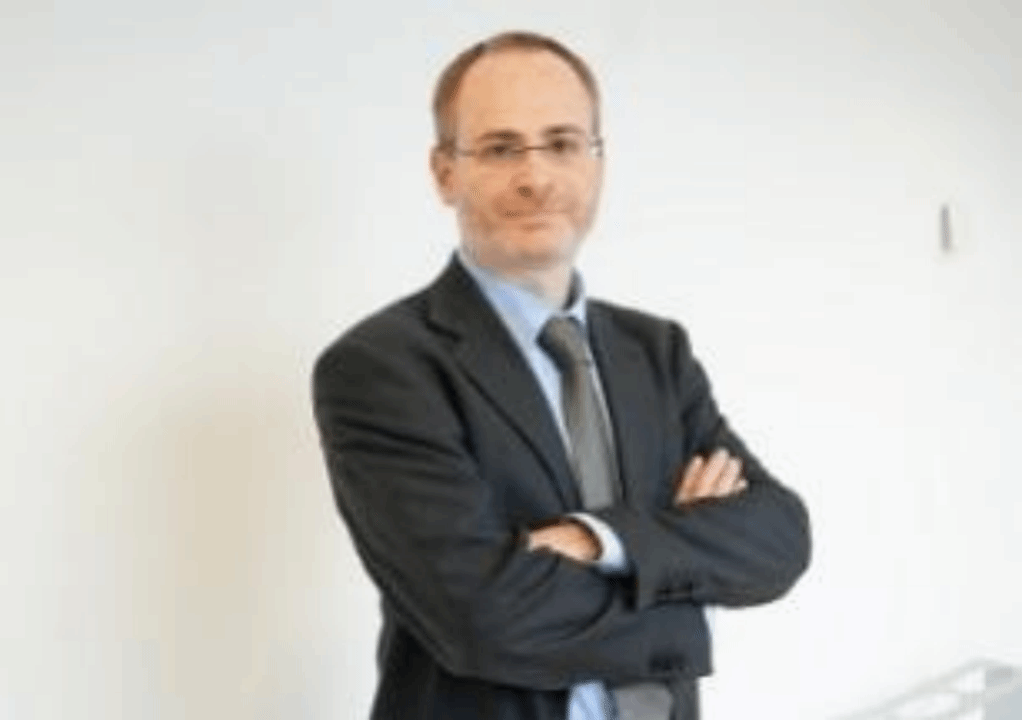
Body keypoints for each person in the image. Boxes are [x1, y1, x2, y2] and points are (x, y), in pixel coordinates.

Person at [312, 30, 811, 720]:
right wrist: (688, 598)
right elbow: (482, 618)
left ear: (597, 162)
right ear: (444, 172)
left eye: (563, 142)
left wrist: (596, 541)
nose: (537, 177)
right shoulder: (382, 369)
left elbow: (778, 538)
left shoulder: (656, 352)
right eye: (500, 148)